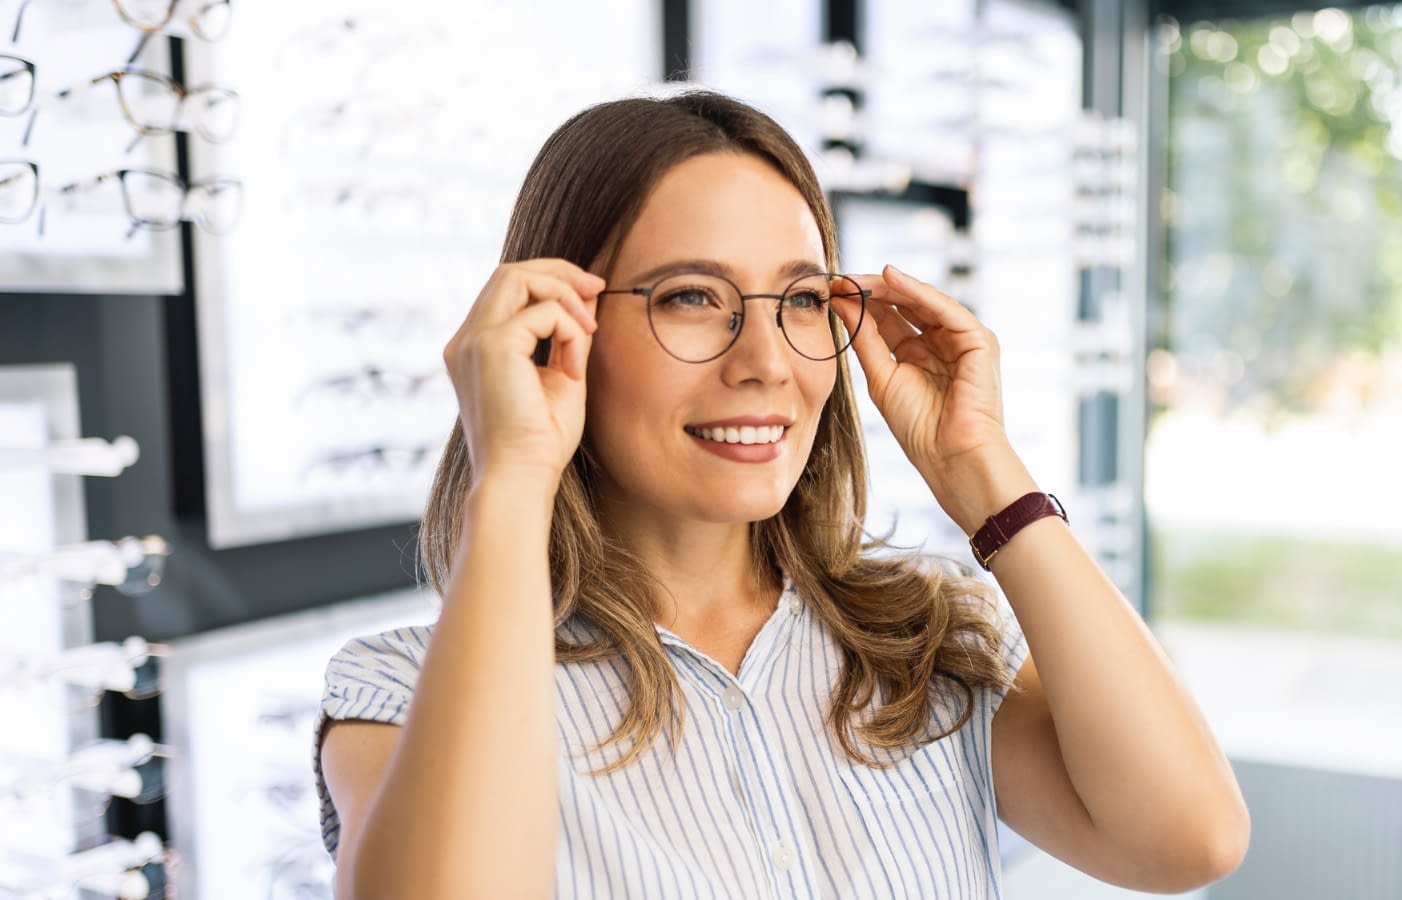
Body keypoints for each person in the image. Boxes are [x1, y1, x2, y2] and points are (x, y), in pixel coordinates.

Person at [313, 89, 1249, 899]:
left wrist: (981, 469)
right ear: (558, 328)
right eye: (691, 297)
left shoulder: (921, 641)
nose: (765, 362)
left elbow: (1189, 840)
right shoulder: (399, 691)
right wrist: (513, 474)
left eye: (800, 300)